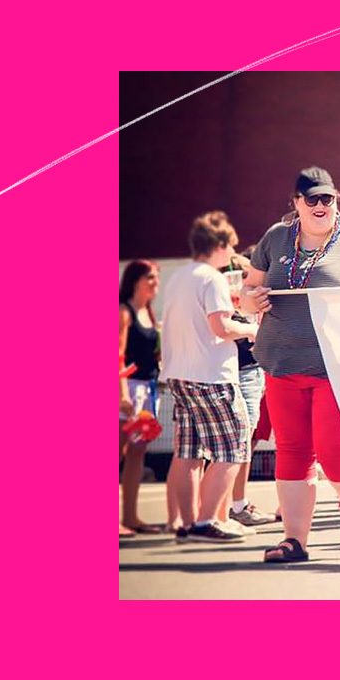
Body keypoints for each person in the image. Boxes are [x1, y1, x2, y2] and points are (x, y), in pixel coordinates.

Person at [241, 167, 340, 562]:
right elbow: (249, 287)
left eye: (327, 199)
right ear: (296, 203)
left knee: (332, 447)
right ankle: (295, 540)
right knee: (291, 450)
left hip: (335, 366)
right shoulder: (276, 238)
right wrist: (247, 301)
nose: (320, 206)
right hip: (281, 361)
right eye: (311, 199)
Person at [162, 212, 260, 543]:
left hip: (179, 375)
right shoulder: (212, 279)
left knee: (189, 452)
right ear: (218, 245)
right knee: (234, 447)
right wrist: (251, 329)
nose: (232, 252)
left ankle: (188, 524)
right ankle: (206, 522)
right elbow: (220, 327)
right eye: (230, 245)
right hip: (212, 377)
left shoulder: (179, 277)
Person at [220, 254, 278, 529]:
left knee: (244, 442)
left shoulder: (249, 303)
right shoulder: (228, 303)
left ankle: (233, 505)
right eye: (245, 276)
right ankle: (234, 506)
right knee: (240, 442)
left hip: (252, 373)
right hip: (240, 374)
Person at [119, 260, 164, 535]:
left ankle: (131, 517)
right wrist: (122, 393)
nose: (155, 282)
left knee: (137, 453)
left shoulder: (148, 312)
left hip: (148, 388)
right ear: (136, 280)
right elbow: (117, 353)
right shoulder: (124, 312)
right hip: (128, 388)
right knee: (117, 452)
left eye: (157, 277)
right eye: (150, 277)